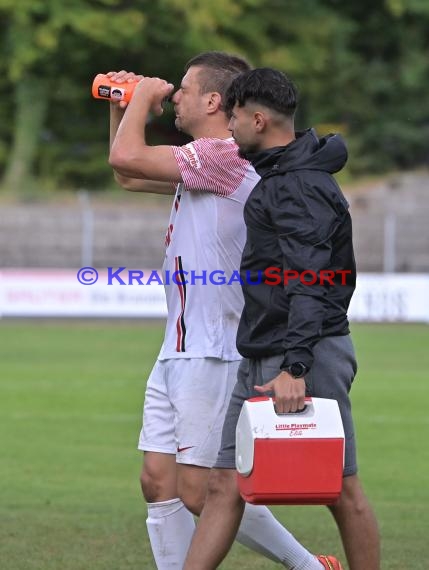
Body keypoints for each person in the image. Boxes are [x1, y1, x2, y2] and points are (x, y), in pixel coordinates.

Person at [109, 52, 333, 569]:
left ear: (214, 100)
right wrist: (122, 107)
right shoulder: (203, 159)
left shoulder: (223, 154)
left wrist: (142, 96)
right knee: (157, 481)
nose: (176, 97)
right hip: (180, 345)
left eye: (184, 89)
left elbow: (127, 161)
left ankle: (308, 566)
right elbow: (128, 173)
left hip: (215, 346)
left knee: (200, 491)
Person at [183, 68, 381, 570]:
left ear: (258, 118)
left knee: (341, 488)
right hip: (262, 352)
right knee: (225, 482)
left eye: (233, 119)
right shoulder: (280, 177)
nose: (228, 128)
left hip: (303, 354)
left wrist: (296, 366)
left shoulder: (299, 185)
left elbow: (311, 278)